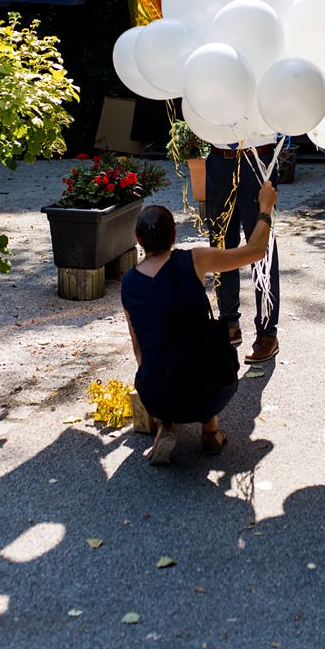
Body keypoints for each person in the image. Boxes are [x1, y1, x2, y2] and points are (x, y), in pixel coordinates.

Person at [121, 193, 276, 466]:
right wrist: (265, 208)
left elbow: (139, 349)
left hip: (157, 395)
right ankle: (210, 430)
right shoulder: (194, 260)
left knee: (160, 359)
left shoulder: (129, 283)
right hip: (212, 389)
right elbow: (254, 252)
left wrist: (153, 394)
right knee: (203, 353)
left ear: (138, 240)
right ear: (175, 235)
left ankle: (166, 424)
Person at [204, 143, 280, 362]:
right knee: (220, 245)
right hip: (219, 159)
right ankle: (228, 323)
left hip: (258, 159)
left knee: (262, 248)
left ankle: (267, 333)